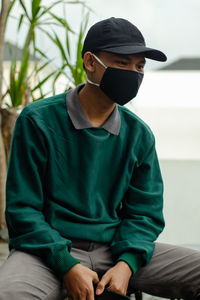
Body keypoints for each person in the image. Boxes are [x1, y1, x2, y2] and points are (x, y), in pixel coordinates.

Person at [0, 17, 200, 300]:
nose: (133, 72)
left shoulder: (139, 135)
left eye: (140, 66)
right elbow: (23, 210)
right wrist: (67, 265)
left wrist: (126, 264)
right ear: (90, 62)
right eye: (122, 62)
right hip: (46, 253)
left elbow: (144, 213)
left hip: (115, 249)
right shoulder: (38, 121)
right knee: (9, 294)